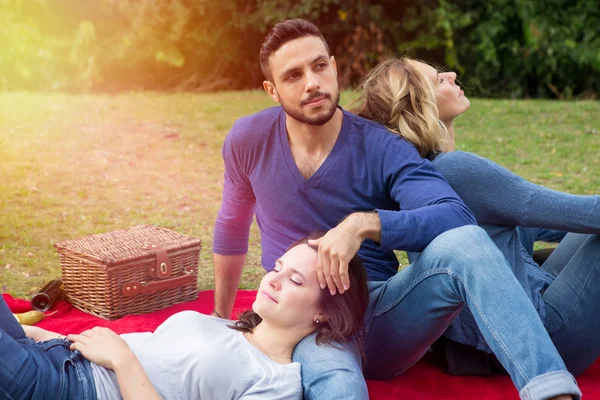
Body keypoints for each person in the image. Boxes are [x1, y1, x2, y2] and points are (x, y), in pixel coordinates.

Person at [212, 18, 581, 400]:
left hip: (377, 315)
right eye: (293, 75)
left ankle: (551, 392)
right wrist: (221, 317)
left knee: (466, 242)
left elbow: (453, 215)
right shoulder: (248, 139)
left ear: (335, 67)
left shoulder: (382, 148)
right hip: (301, 322)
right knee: (340, 386)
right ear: (272, 90)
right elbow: (231, 226)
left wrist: (363, 224)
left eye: (319, 66)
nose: (312, 83)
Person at [351, 56, 600, 377]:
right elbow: (578, 213)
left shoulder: (420, 177)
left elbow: (544, 223)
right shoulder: (455, 172)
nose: (452, 75)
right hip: (545, 335)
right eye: (438, 80)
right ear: (421, 105)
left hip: (508, 328)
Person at [0, 238, 369, 400]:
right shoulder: (225, 327)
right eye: (278, 266)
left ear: (323, 312)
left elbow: (125, 357)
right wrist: (36, 334)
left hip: (67, 389)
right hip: (54, 355)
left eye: (295, 279)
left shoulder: (277, 383)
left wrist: (122, 360)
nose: (272, 278)